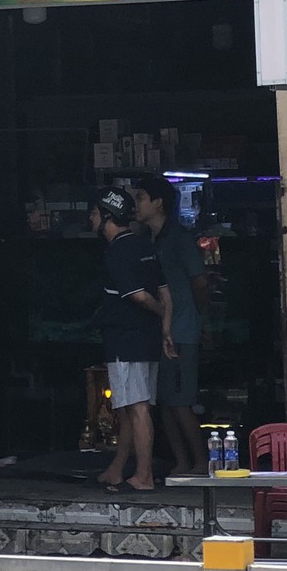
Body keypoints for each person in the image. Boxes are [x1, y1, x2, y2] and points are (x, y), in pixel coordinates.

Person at [89, 188, 174, 493]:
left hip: (127, 341)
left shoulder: (117, 252)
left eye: (96, 214)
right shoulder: (145, 246)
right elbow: (165, 290)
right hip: (148, 338)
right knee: (129, 407)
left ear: (107, 218)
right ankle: (116, 469)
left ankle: (144, 476)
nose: (92, 218)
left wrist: (157, 310)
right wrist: (165, 329)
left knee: (137, 408)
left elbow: (140, 296)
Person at [133, 174, 211, 478]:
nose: (136, 204)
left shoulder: (178, 238)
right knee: (165, 402)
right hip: (162, 331)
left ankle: (201, 461)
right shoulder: (153, 239)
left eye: (141, 197)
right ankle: (181, 462)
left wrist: (198, 318)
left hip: (182, 330)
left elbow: (200, 282)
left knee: (181, 402)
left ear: (158, 202)